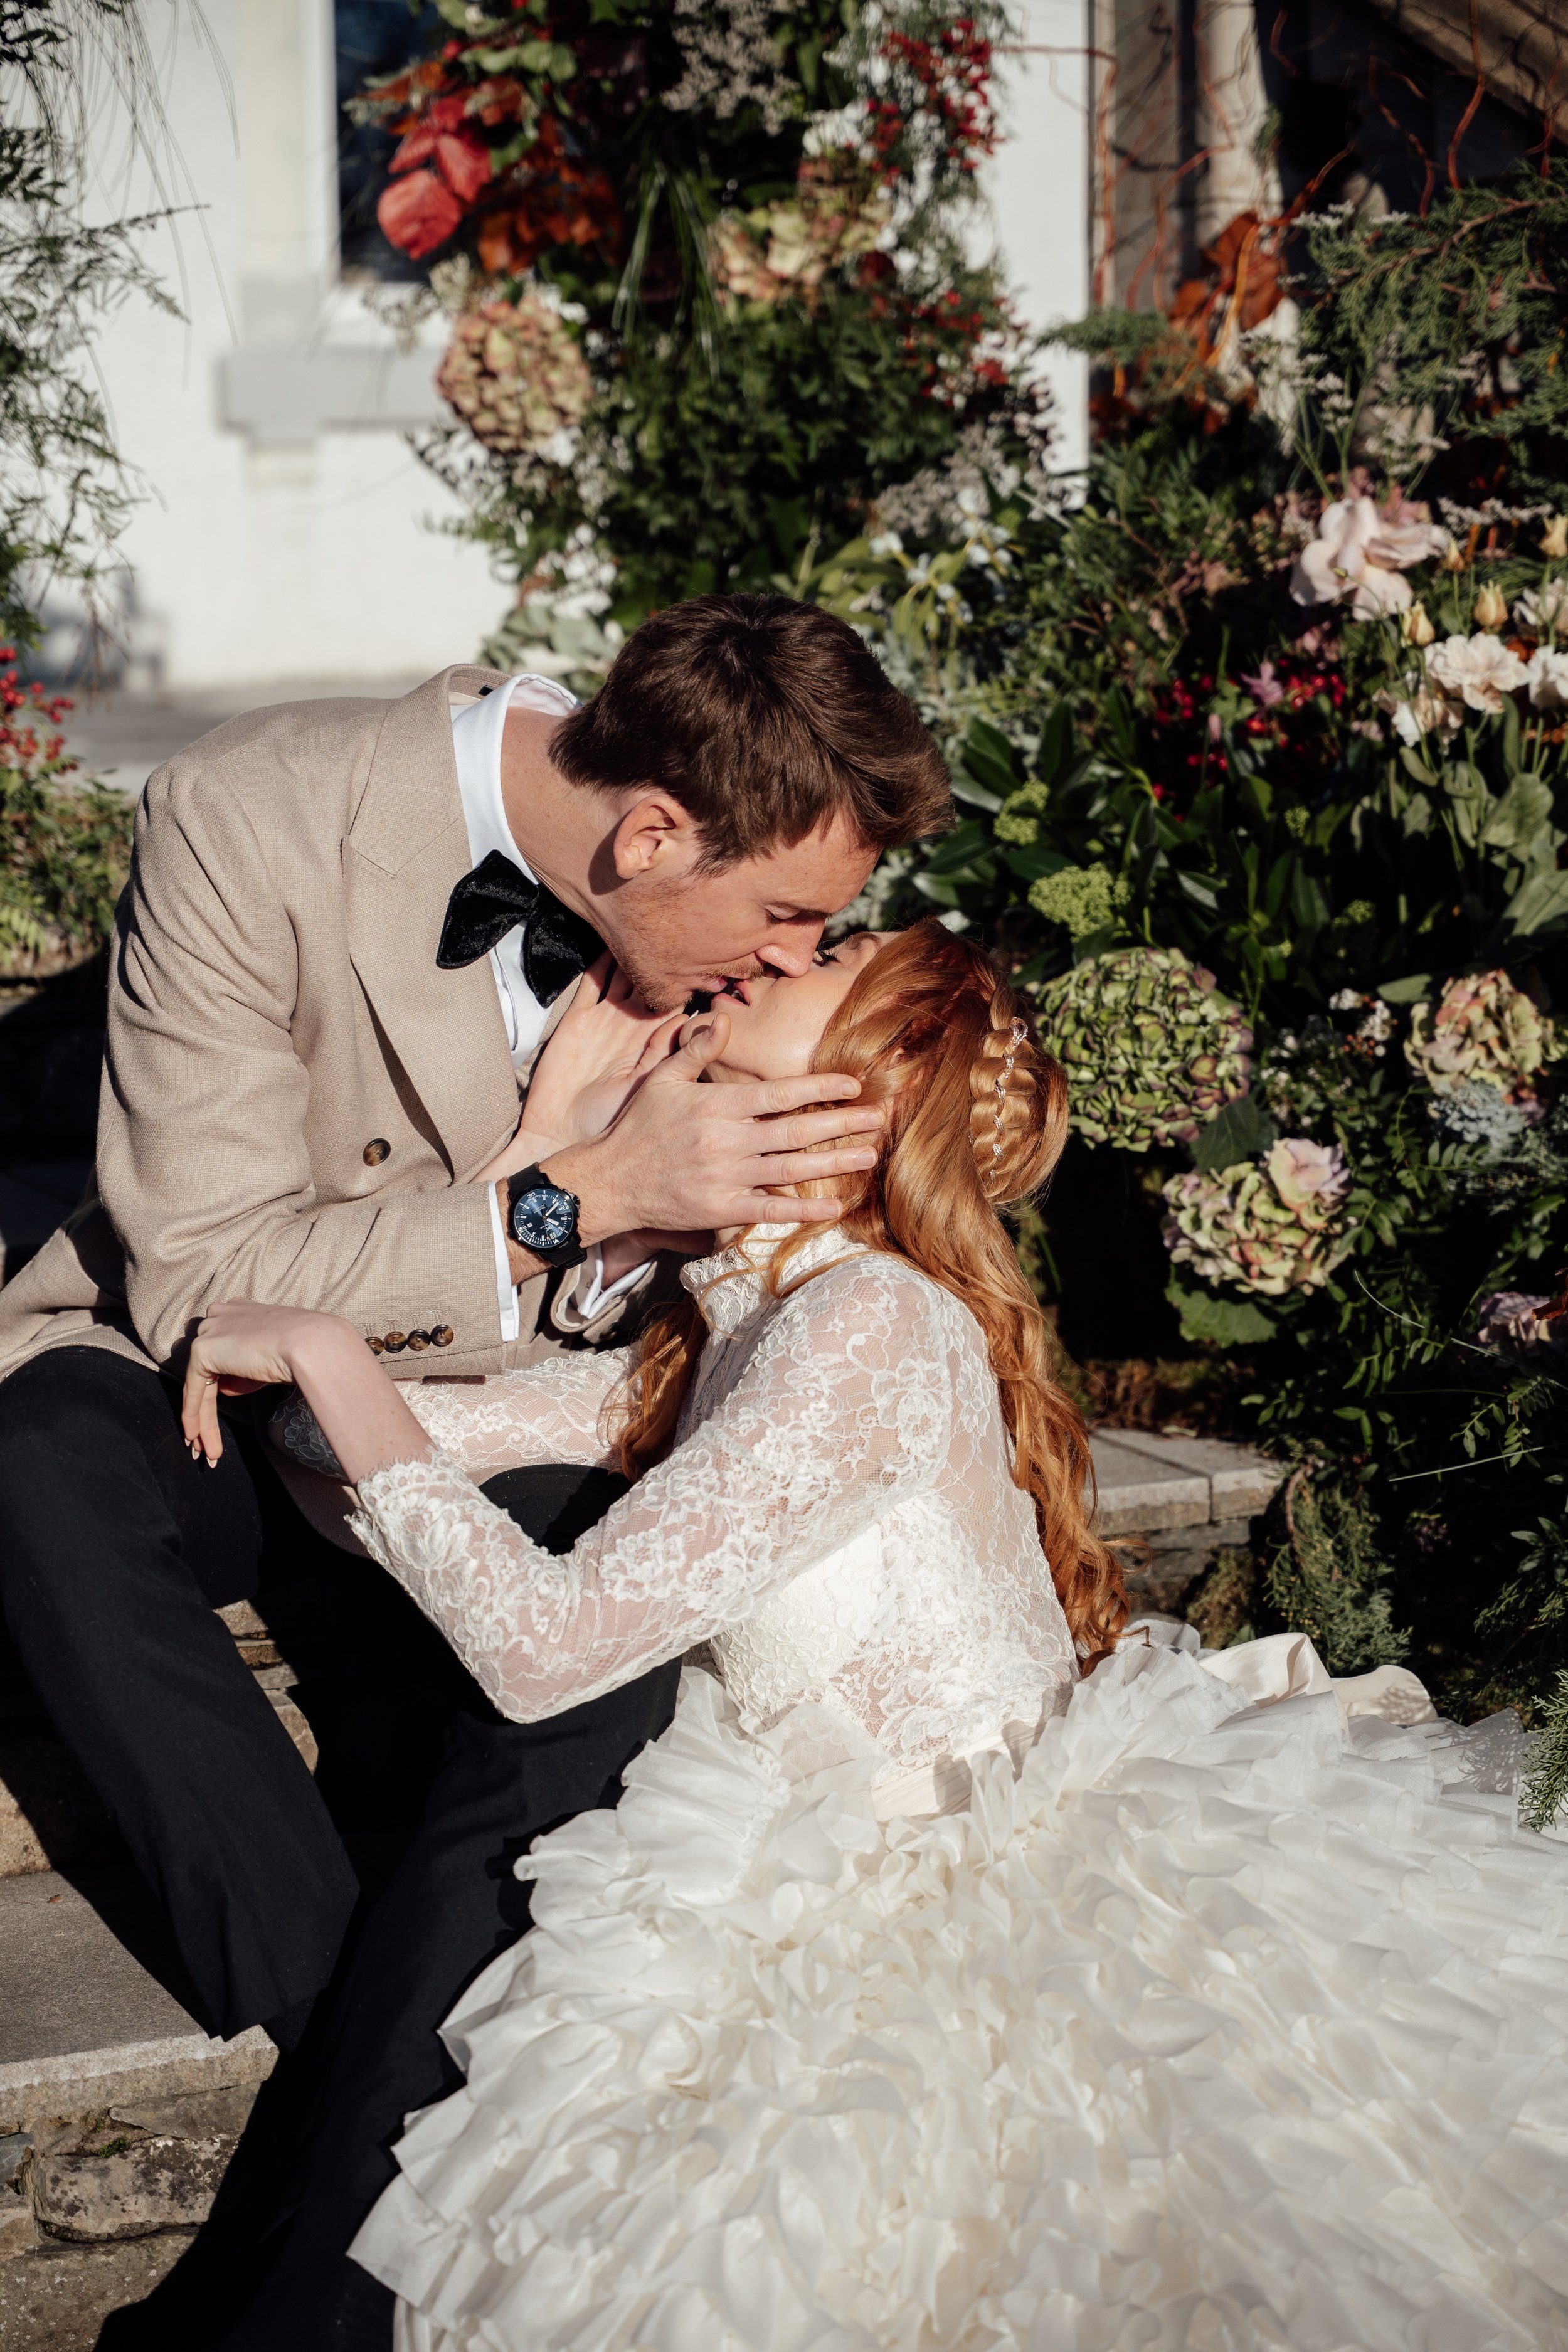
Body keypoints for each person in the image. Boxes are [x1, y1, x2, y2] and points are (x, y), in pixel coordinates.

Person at [184, 919, 1568, 2351]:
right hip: (802, 1875)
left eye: (825, 963)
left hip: (985, 1908)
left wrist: (337, 1352)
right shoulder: (714, 1340)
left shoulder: (869, 1325)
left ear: (883, 1080)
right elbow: (330, 1441)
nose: (770, 958)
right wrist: (541, 1161)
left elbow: (539, 1645)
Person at [0, 593, 951, 2344]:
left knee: (602, 1634)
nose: (784, 959)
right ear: (652, 831)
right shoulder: (246, 811)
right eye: (786, 914)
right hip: (211, 1380)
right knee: (36, 1460)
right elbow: (211, 1273)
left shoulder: (712, 960)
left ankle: (345, 2133)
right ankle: (354, 2053)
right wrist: (563, 1192)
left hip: (507, 1416)